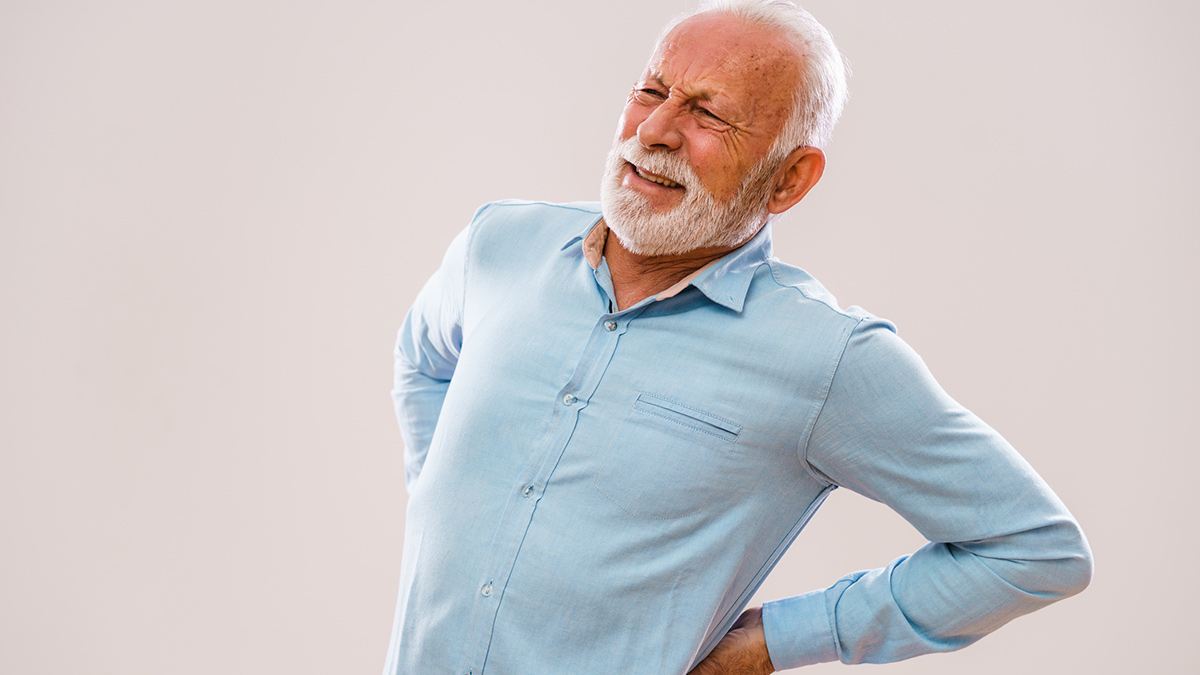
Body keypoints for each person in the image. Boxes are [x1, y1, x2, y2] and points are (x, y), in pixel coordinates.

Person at [384, 1, 1092, 673]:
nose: (654, 130)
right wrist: (441, 509)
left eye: (707, 114)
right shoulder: (499, 244)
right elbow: (422, 361)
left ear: (788, 179)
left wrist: (777, 641)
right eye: (651, 90)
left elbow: (1035, 548)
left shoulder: (828, 359)